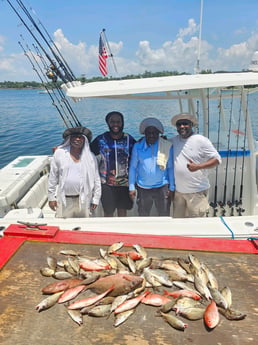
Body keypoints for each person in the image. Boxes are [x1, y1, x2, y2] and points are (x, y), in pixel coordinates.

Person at [170, 113, 222, 218]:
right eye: (179, 124)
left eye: (185, 124)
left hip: (196, 193)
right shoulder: (173, 140)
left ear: (191, 124)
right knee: (178, 224)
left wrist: (198, 167)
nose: (182, 126)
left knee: (197, 225)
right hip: (179, 193)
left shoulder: (201, 140)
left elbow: (217, 160)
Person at [48, 126, 101, 218]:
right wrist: (51, 197)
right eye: (74, 137)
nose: (77, 139)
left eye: (80, 137)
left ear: (84, 140)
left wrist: (96, 199)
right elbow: (52, 177)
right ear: (69, 139)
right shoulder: (59, 153)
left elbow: (96, 179)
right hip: (65, 200)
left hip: (85, 200)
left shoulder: (91, 157)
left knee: (84, 227)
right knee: (64, 227)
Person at [90, 111, 136, 217]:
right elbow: (85, 151)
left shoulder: (129, 139)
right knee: (108, 211)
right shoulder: (100, 139)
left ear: (122, 123)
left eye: (118, 122)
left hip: (125, 183)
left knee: (122, 210)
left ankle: (122, 231)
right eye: (112, 122)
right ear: (108, 123)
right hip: (106, 184)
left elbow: (141, 148)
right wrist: (63, 148)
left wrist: (162, 140)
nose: (116, 124)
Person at [129, 117, 175, 216]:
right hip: (143, 187)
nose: (151, 135)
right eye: (148, 133)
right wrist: (131, 186)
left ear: (159, 133)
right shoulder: (137, 146)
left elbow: (170, 167)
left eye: (154, 133)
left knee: (164, 214)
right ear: (144, 134)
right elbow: (133, 167)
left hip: (162, 186)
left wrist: (171, 187)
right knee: (143, 214)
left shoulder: (167, 146)